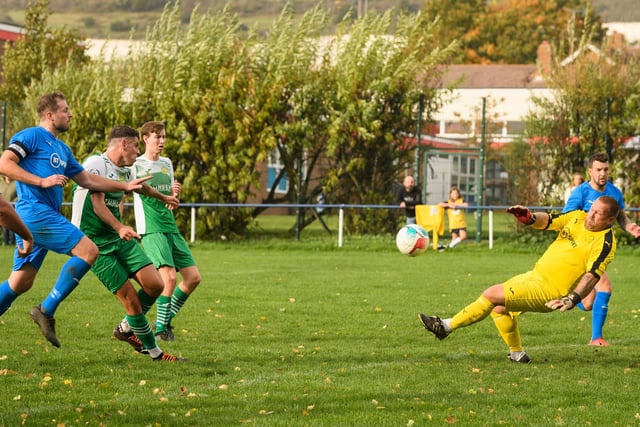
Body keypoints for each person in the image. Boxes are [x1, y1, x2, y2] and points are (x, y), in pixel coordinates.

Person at [0, 92, 152, 348]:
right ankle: (46, 310)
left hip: (43, 216)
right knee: (89, 250)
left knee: (21, 281)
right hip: (35, 213)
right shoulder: (31, 136)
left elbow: (88, 180)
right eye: (65, 109)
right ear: (50, 115)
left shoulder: (62, 149)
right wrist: (40, 181)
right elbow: (4, 163)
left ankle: (44, 310)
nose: (70, 114)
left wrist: (125, 185)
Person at [419, 196, 619, 363]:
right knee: (499, 308)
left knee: (491, 294)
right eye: (592, 209)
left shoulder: (605, 242)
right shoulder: (577, 217)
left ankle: (445, 326)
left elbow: (592, 276)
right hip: (535, 276)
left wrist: (572, 299)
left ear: (609, 220)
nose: (590, 215)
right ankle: (517, 353)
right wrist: (529, 217)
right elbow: (548, 220)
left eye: (597, 213)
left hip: (550, 291)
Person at [71, 125, 184, 361]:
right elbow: (98, 204)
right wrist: (120, 226)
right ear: (123, 144)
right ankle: (156, 353)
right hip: (94, 243)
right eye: (135, 145)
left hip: (118, 237)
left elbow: (142, 188)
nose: (137, 151)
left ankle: (125, 328)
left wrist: (165, 197)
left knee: (155, 284)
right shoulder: (96, 164)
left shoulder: (126, 170)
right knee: (131, 298)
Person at [130, 121, 201, 341]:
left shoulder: (167, 163)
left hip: (169, 225)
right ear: (145, 139)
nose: (161, 141)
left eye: (163, 137)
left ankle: (162, 320)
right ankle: (160, 330)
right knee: (168, 278)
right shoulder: (135, 165)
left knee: (193, 278)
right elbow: (132, 190)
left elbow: (170, 194)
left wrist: (174, 192)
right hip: (151, 228)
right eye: (157, 137)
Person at [563, 152, 640, 346]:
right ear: (590, 171)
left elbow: (621, 216)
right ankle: (596, 338)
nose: (602, 173)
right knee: (605, 286)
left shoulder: (614, 192)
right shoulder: (580, 193)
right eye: (598, 170)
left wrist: (629, 226)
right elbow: (566, 219)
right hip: (582, 250)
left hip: (599, 250)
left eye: (606, 169)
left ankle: (565, 297)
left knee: (588, 303)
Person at [0, 175, 17, 245]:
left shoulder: (16, 183)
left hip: (13, 206)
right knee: (5, 225)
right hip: (3, 207)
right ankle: (6, 242)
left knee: (13, 225)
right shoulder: (1, 183)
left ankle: (12, 242)